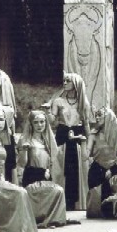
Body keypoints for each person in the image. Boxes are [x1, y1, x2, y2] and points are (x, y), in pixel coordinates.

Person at [18, 110, 80, 228]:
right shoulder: (26, 141)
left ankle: (52, 219)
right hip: (32, 179)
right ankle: (44, 220)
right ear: (31, 124)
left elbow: (52, 163)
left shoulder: (47, 141)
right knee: (58, 191)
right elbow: (22, 164)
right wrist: (25, 150)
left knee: (59, 190)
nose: (39, 125)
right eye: (36, 122)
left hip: (45, 179)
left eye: (42, 122)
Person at [48, 72, 90, 211]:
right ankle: (60, 201)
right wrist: (48, 112)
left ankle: (77, 202)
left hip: (77, 137)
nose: (64, 83)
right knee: (60, 167)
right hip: (62, 136)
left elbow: (86, 124)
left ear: (75, 84)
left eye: (68, 81)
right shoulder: (58, 101)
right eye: (64, 81)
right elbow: (52, 121)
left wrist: (90, 143)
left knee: (77, 169)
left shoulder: (83, 103)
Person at [86, 107, 117, 220]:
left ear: (108, 118)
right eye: (96, 115)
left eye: (100, 115)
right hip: (97, 169)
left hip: (113, 167)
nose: (97, 118)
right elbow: (87, 154)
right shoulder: (94, 134)